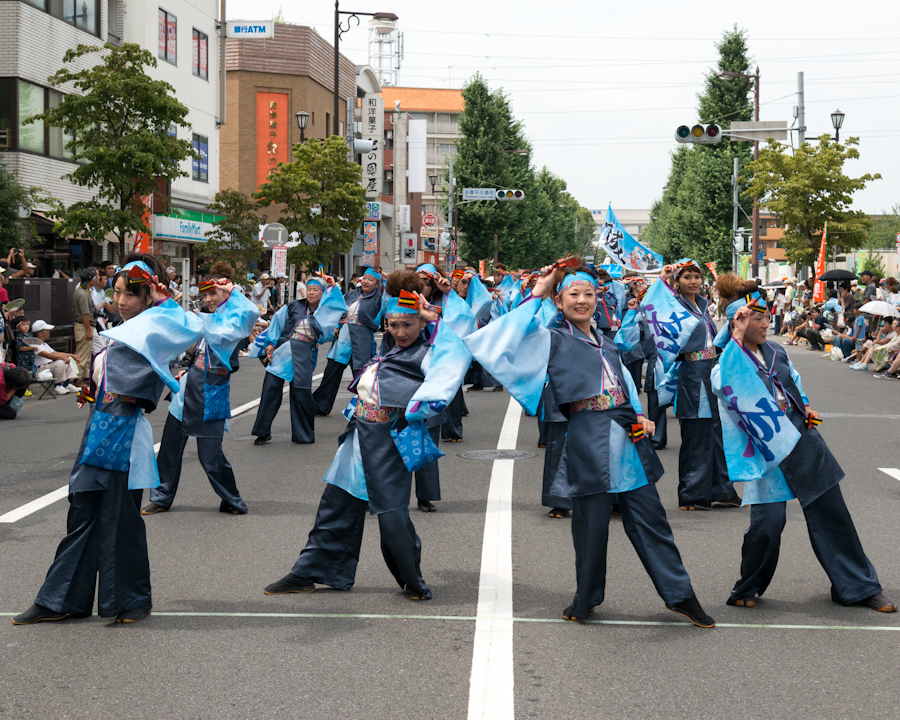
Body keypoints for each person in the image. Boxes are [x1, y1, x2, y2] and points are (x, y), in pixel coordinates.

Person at [464, 257, 716, 628]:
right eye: (572, 294)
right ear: (560, 301)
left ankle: (681, 595)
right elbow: (500, 339)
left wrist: (640, 415)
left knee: (651, 519)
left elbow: (624, 384)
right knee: (590, 525)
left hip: (626, 435)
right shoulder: (550, 338)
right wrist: (537, 293)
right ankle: (586, 597)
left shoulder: (607, 342)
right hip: (587, 435)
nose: (582, 300)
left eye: (589, 294)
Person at [12, 254, 202, 625]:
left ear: (147, 295)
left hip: (125, 432)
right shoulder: (126, 328)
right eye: (114, 293)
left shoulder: (155, 325)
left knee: (120, 517)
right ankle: (62, 598)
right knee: (82, 508)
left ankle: (131, 601)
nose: (118, 301)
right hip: (101, 427)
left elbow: (192, 327)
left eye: (127, 295)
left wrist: (164, 298)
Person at [263, 272, 467, 601]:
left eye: (408, 325)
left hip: (388, 440)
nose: (400, 332)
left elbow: (455, 358)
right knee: (336, 503)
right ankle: (312, 569)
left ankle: (411, 578)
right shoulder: (389, 348)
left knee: (391, 514)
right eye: (394, 324)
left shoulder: (427, 354)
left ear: (421, 325)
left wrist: (434, 318)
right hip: (359, 435)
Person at [711, 273, 896, 614]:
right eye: (758, 317)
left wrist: (805, 404)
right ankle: (748, 585)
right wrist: (735, 338)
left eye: (767, 315)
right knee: (768, 524)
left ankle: (857, 586)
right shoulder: (726, 361)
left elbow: (794, 382)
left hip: (801, 439)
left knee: (831, 511)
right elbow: (724, 387)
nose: (767, 323)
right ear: (739, 320)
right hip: (766, 449)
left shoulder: (777, 351)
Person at [141, 262, 259, 516]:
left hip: (210, 395)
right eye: (205, 294)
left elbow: (250, 312)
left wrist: (233, 291)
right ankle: (161, 496)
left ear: (226, 293)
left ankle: (232, 498)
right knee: (169, 449)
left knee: (210, 457)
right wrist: (163, 298)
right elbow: (181, 325)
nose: (208, 299)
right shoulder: (208, 319)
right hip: (186, 391)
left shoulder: (233, 322)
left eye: (212, 293)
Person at [651, 260, 741, 511]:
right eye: (687, 277)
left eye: (696, 276)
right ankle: (690, 493)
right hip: (692, 373)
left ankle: (722, 489)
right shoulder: (674, 307)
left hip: (710, 370)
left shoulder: (702, 306)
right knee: (696, 434)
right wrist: (663, 278)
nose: (693, 281)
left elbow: (714, 339)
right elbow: (653, 308)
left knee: (715, 432)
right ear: (677, 282)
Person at [252, 275, 347, 445]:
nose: (311, 292)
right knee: (270, 390)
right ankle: (262, 431)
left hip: (305, 352)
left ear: (323, 292)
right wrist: (270, 344)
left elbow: (328, 334)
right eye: (309, 289)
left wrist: (332, 285)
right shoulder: (293, 306)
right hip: (283, 351)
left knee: (301, 393)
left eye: (315, 289)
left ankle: (303, 434)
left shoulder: (326, 312)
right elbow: (276, 325)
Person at [313, 268, 384, 417]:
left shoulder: (379, 298)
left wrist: (387, 281)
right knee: (331, 373)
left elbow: (389, 302)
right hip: (344, 338)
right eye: (364, 278)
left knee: (362, 377)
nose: (366, 281)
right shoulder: (352, 294)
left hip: (362, 338)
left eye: (371, 280)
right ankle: (320, 405)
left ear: (377, 284)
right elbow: (337, 305)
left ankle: (366, 408)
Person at [31, 320, 80, 394]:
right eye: (46, 330)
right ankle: (58, 385)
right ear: (40, 333)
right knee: (60, 362)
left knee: (69, 360)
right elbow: (48, 355)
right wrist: (63, 358)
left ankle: (67, 384)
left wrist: (72, 356)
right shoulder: (35, 344)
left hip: (48, 367)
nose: (48, 332)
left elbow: (56, 353)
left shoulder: (44, 344)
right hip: (41, 369)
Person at [72, 268, 101, 386]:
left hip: (84, 325)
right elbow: (85, 314)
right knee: (81, 355)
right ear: (91, 280)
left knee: (86, 354)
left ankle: (84, 377)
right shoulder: (83, 294)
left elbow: (74, 310)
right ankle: (76, 378)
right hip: (84, 326)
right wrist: (89, 331)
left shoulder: (82, 291)